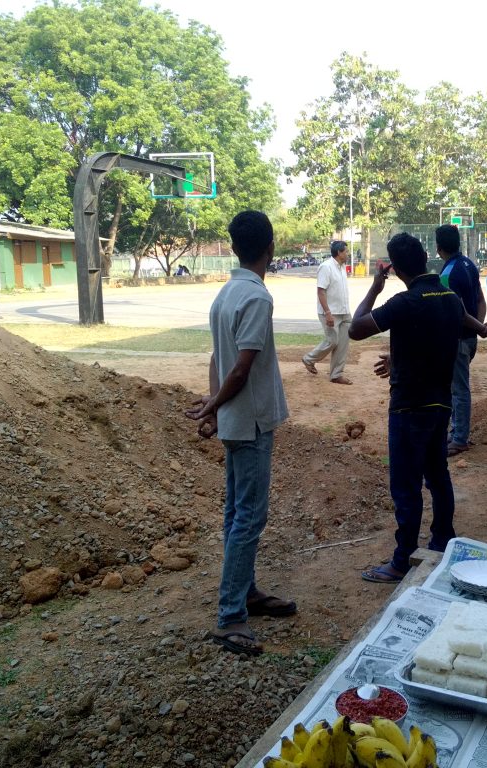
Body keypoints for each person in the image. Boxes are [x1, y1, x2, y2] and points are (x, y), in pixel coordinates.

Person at [349, 233, 487, 583]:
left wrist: (374, 289)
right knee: (438, 476)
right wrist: (483, 329)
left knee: (406, 486)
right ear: (427, 257)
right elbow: (465, 324)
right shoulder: (449, 298)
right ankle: (442, 540)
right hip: (440, 405)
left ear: (395, 269)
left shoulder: (404, 302)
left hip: (408, 407)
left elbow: (355, 329)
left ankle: (402, 560)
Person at [184, 210, 295, 656]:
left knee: (236, 513)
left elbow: (219, 359)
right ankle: (230, 616)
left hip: (235, 419)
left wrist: (215, 408)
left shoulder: (226, 293)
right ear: (271, 247)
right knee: (249, 517)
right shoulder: (256, 297)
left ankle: (245, 593)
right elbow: (241, 368)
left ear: (233, 249)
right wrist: (214, 405)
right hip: (249, 422)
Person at [436, 224, 486, 456]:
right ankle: (456, 430)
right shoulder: (469, 265)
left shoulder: (447, 274)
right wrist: (478, 328)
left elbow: (458, 312)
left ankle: (460, 438)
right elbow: (480, 300)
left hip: (456, 340)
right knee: (456, 387)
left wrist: (476, 329)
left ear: (439, 248)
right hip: (468, 338)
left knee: (458, 390)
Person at [302, 240, 353, 384]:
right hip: (330, 312)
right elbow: (321, 291)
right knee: (332, 341)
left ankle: (336, 375)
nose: (348, 254)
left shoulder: (342, 267)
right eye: (346, 251)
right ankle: (309, 359)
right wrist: (328, 313)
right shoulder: (326, 267)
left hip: (344, 311)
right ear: (339, 252)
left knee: (342, 344)